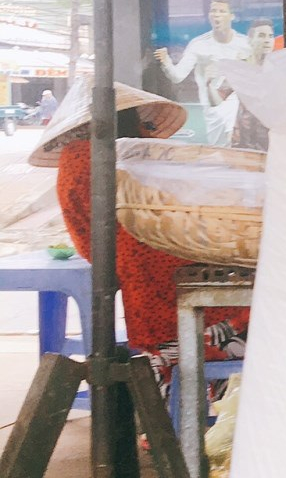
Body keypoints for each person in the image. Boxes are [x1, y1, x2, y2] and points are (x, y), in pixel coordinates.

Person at [31, 79, 250, 394]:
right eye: (142, 124)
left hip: (142, 282)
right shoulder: (121, 155)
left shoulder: (79, 157)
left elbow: (92, 244)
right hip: (168, 271)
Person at [154, 0, 251, 109]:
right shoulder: (198, 45)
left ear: (232, 16)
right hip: (213, 109)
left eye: (222, 11)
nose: (217, 15)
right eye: (213, 11)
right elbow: (177, 76)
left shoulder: (246, 44)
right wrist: (166, 62)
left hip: (242, 108)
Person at [205, 17, 276, 152]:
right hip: (243, 141)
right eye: (261, 36)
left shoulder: (279, 69)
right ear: (250, 40)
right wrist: (208, 85)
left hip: (272, 140)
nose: (267, 40)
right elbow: (217, 102)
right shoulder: (239, 69)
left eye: (270, 36)